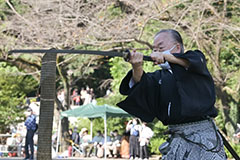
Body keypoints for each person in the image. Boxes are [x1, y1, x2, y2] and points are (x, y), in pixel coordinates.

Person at [117, 29, 227, 159]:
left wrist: (167, 57)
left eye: (161, 47)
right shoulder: (158, 77)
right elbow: (142, 85)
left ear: (178, 47)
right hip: (177, 138)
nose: (156, 51)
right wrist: (137, 67)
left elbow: (192, 61)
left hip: (203, 136)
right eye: (154, 49)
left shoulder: (195, 61)